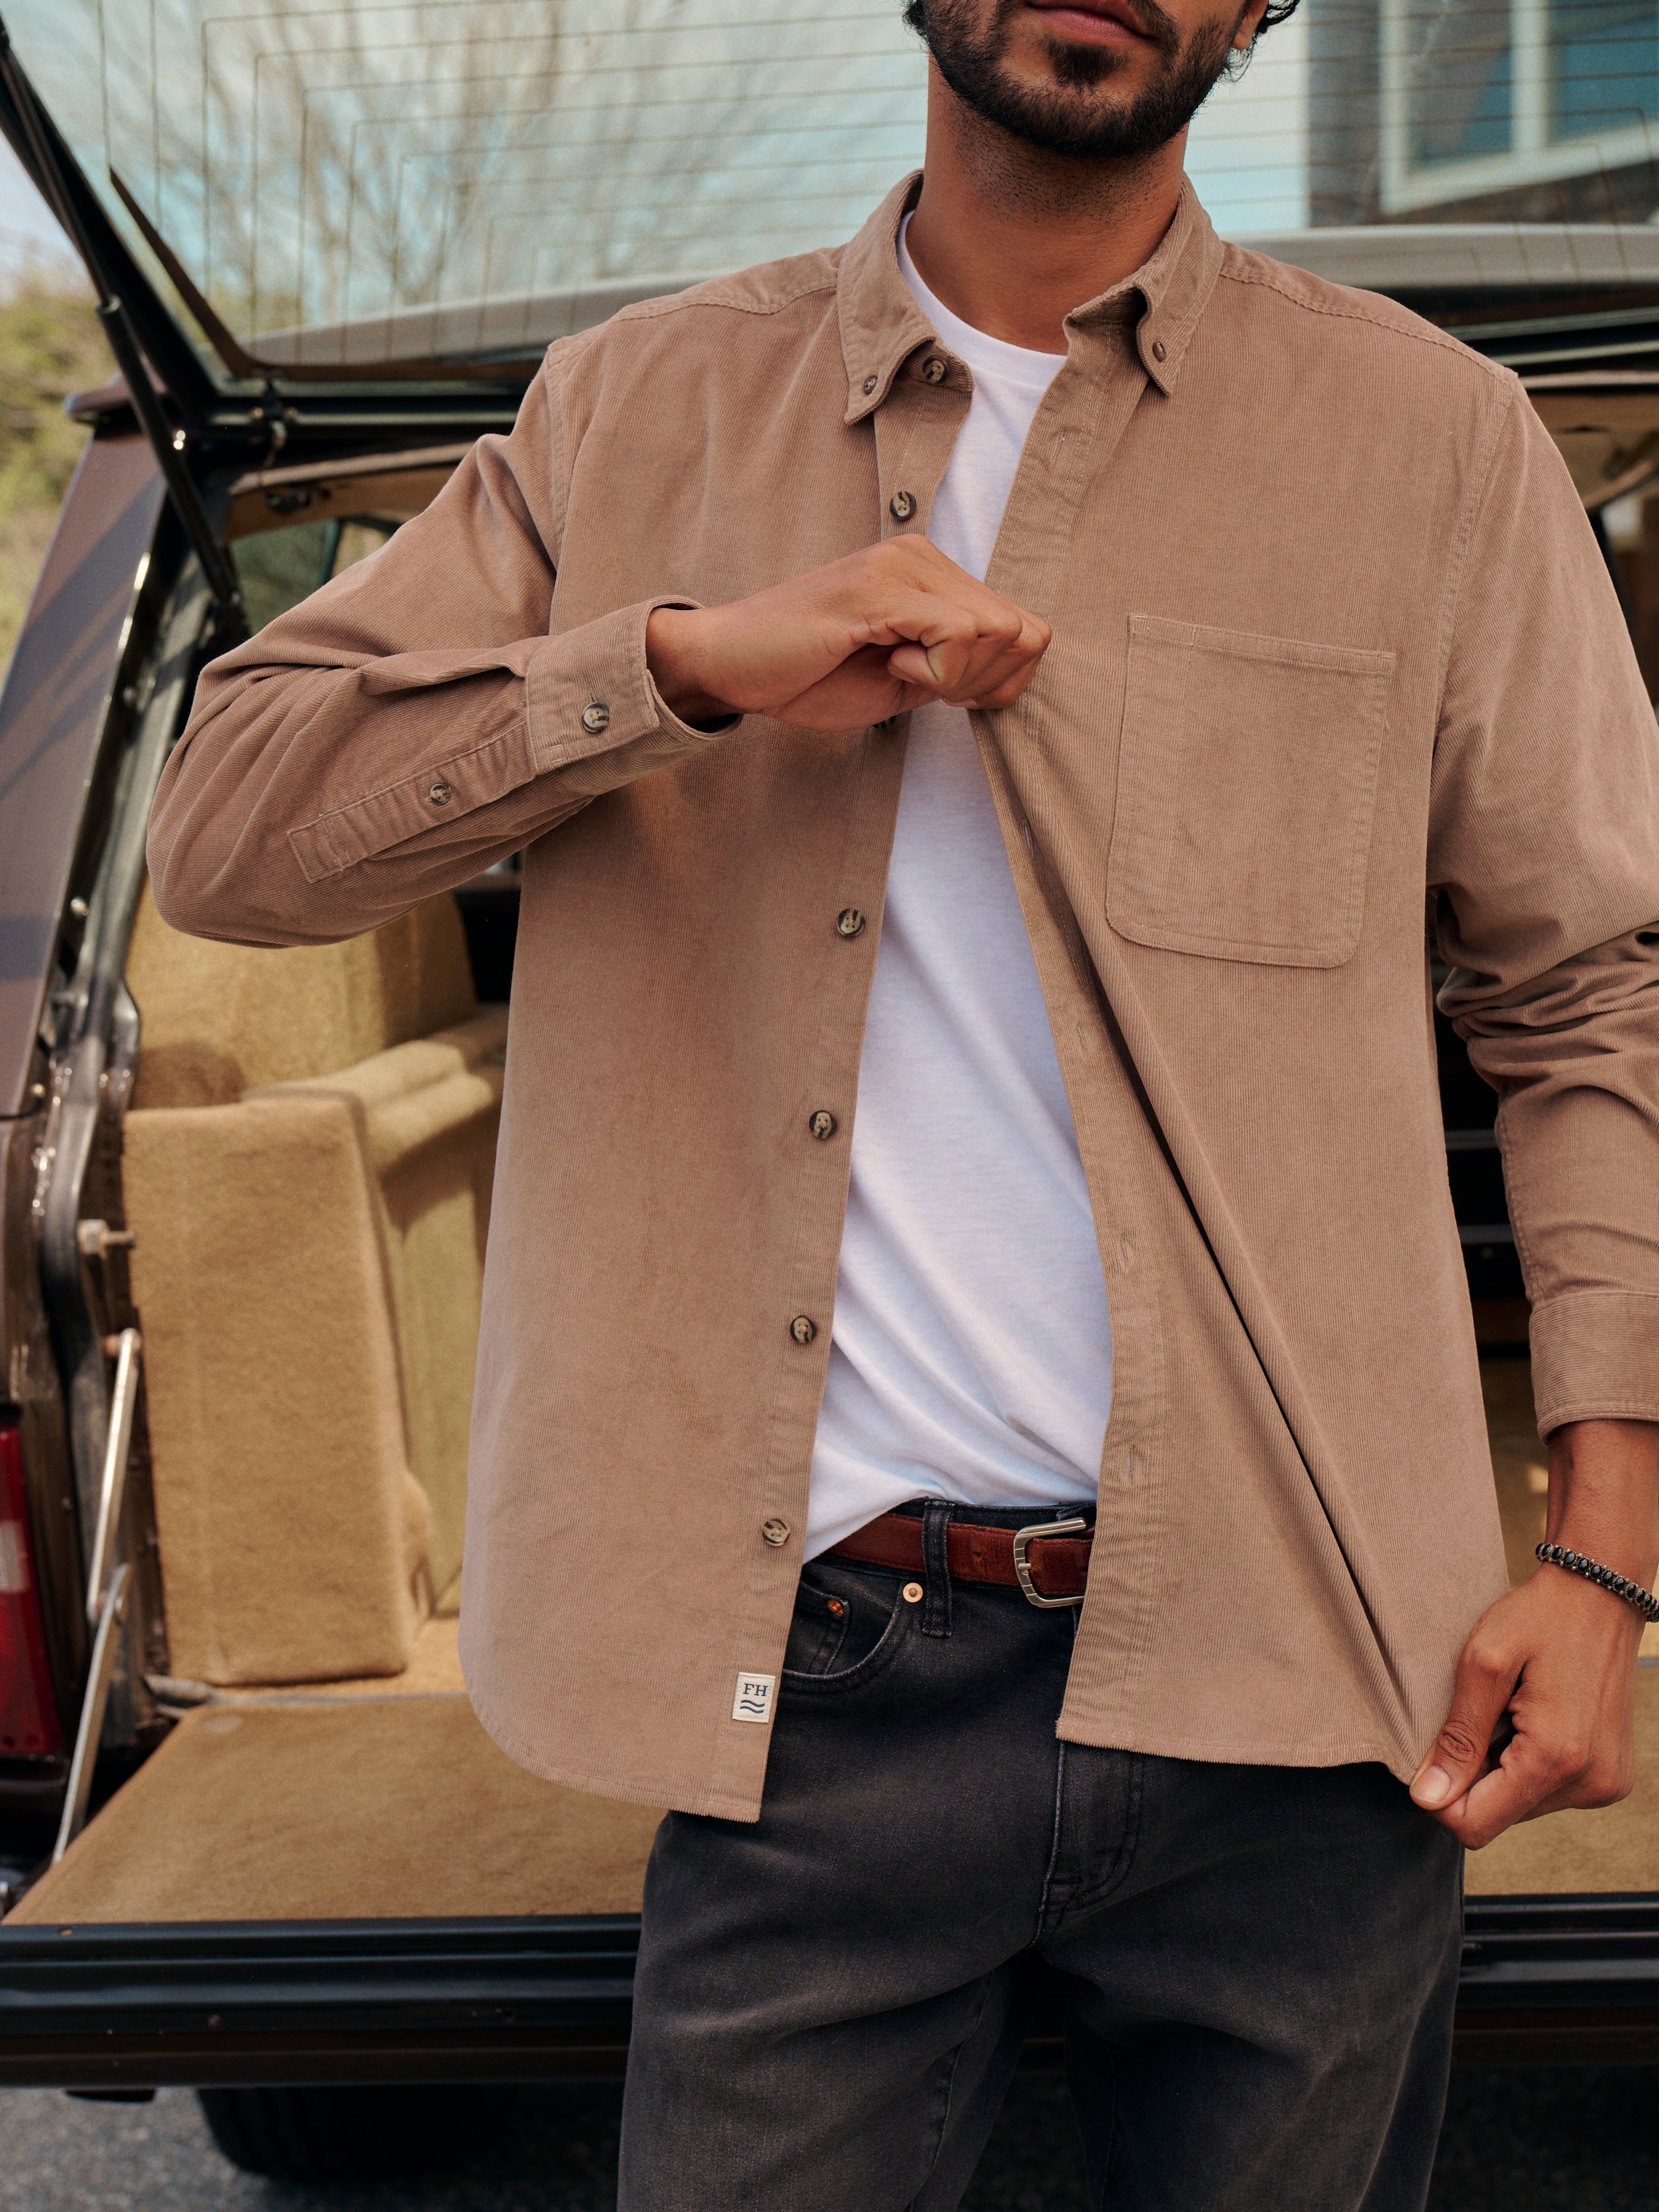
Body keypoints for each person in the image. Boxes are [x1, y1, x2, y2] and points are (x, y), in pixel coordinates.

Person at [147, 0, 1659, 2197]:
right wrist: (671, 668)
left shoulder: (1437, 446)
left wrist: (1604, 1568)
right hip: (810, 1685)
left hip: (1318, 1686)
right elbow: (230, 826)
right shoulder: (632, 409)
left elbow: (1591, 999)